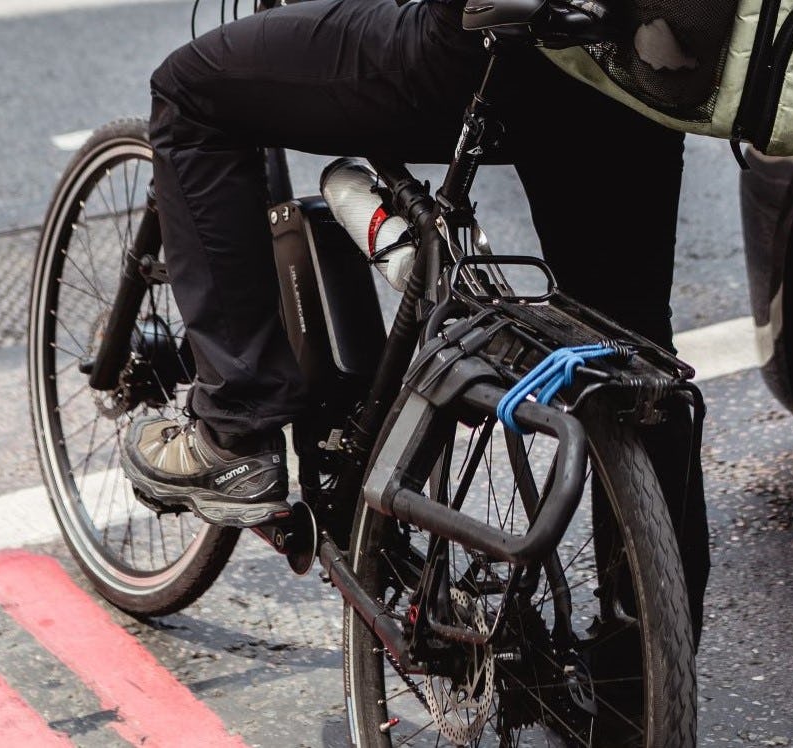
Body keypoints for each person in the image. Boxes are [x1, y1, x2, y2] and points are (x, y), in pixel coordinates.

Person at [119, 0, 710, 642]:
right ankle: (639, 684)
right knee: (627, 347)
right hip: (638, 60)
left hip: (487, 47)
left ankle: (234, 426)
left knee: (190, 93)